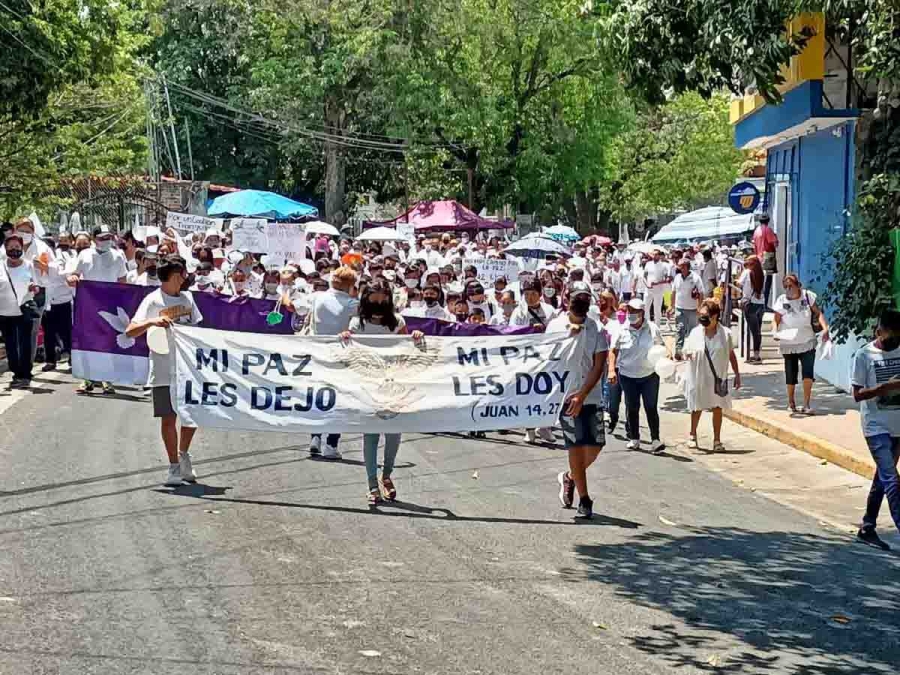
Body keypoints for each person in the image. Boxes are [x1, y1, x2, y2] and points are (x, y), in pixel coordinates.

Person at [340, 281, 424, 504]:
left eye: (382, 299)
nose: (378, 304)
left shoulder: (398, 322)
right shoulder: (357, 323)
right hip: (367, 386)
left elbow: (410, 348)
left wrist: (414, 336)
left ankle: (386, 475)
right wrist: (345, 339)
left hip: (394, 384)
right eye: (374, 299)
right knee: (371, 434)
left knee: (394, 433)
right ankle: (371, 484)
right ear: (366, 299)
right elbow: (350, 351)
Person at [126, 255, 203, 486]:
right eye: (180, 273)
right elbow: (130, 330)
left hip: (187, 369)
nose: (184, 277)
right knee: (168, 419)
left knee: (191, 416)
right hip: (162, 370)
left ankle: (184, 455)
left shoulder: (188, 299)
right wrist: (152, 322)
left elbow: (198, 328)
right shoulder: (153, 300)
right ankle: (173, 467)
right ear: (170, 276)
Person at [547, 281, 609, 519]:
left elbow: (599, 364)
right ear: (567, 299)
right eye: (577, 298)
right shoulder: (555, 325)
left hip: (590, 395)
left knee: (594, 446)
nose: (581, 302)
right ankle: (584, 499)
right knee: (575, 445)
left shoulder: (595, 328)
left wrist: (583, 394)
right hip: (566, 396)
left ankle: (570, 477)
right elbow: (546, 357)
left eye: (585, 298)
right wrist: (565, 339)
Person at [852, 309, 900, 551]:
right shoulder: (864, 355)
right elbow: (857, 395)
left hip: (898, 426)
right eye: (888, 335)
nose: (892, 341)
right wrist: (884, 387)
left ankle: (867, 527)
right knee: (892, 478)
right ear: (879, 331)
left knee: (883, 477)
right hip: (876, 426)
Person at [303, 265, 359, 459]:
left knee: (318, 395)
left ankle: (315, 436)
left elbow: (295, 305)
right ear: (350, 285)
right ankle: (331, 444)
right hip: (340, 354)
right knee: (339, 399)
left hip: (317, 351)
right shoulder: (352, 303)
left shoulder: (317, 296)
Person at [608, 298, 667, 453]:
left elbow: (662, 347)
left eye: (634, 311)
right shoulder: (621, 330)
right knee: (632, 407)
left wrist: (668, 359)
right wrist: (611, 370)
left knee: (651, 407)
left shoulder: (652, 328)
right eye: (629, 311)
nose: (631, 314)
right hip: (628, 376)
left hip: (650, 375)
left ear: (642, 313)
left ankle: (655, 440)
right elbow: (613, 350)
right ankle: (634, 438)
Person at [683, 299, 741, 452]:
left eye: (706, 315)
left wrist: (737, 373)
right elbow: (686, 350)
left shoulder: (725, 334)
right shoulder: (696, 332)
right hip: (699, 376)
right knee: (697, 406)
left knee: (717, 407)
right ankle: (692, 435)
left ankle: (717, 440)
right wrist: (687, 354)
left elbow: (731, 354)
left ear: (715, 316)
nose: (702, 318)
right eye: (701, 315)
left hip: (717, 378)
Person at [772, 274, 829, 414]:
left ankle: (806, 404)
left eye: (791, 285)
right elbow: (776, 320)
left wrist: (825, 328)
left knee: (808, 373)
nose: (788, 289)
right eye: (786, 286)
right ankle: (791, 402)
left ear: (798, 285)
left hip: (807, 341)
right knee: (790, 374)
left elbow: (818, 313)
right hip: (789, 343)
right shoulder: (781, 300)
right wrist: (774, 332)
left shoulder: (807, 296)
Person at [510, 278, 557, 444]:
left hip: (546, 357)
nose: (530, 297)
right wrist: (529, 329)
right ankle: (529, 429)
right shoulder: (519, 312)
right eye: (527, 294)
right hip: (526, 358)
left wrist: (544, 330)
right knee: (528, 393)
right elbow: (512, 333)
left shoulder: (550, 311)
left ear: (540, 294)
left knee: (546, 392)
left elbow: (557, 331)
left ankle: (544, 427)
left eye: (533, 294)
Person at [0, 233, 40, 387]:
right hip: (5, 311)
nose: (14, 250)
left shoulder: (28, 264)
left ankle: (25, 374)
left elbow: (34, 284)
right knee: (10, 344)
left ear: (21, 248)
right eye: (11, 247)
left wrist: (33, 287)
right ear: (5, 249)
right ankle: (16, 373)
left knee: (25, 343)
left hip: (24, 308)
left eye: (17, 247)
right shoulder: (1, 265)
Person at [671, 258, 703, 360]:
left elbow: (701, 293)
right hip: (679, 308)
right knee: (679, 330)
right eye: (680, 266)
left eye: (683, 266)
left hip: (693, 309)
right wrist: (671, 306)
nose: (681, 268)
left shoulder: (695, 278)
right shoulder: (677, 277)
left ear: (687, 266)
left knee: (693, 332)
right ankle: (678, 352)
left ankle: (692, 351)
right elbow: (673, 292)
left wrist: (700, 307)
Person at [738, 255, 766, 363]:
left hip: (749, 304)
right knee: (757, 331)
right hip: (761, 304)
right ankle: (757, 354)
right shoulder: (762, 273)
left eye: (748, 263)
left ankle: (755, 356)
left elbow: (739, 284)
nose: (747, 265)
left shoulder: (746, 272)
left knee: (754, 331)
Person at [752, 214, 778, 305]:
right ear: (768, 221)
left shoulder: (756, 231)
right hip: (768, 257)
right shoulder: (768, 230)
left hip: (758, 257)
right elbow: (775, 244)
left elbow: (754, 246)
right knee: (768, 281)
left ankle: (759, 302)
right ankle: (765, 303)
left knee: (760, 281)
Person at [643, 249, 671, 328]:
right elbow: (644, 277)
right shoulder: (648, 264)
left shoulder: (664, 265)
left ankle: (657, 328)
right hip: (648, 290)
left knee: (657, 310)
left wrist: (657, 283)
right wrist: (647, 284)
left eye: (656, 254)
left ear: (659, 255)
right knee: (645, 308)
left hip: (659, 290)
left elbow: (667, 279)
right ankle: (647, 325)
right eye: (653, 254)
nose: (655, 256)